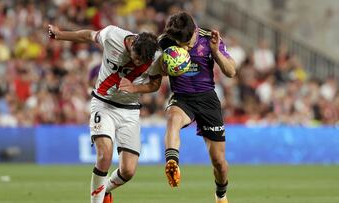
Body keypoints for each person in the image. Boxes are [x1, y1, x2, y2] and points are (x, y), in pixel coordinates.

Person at [119, 12, 236, 203]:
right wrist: (163, 69)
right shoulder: (164, 42)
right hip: (182, 98)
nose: (183, 47)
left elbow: (231, 71)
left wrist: (215, 52)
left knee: (219, 163)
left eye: (187, 43)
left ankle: (221, 194)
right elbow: (155, 75)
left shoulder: (209, 39)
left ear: (194, 31)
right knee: (173, 119)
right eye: (178, 43)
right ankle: (172, 162)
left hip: (208, 99)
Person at [48, 24, 161, 203]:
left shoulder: (155, 57)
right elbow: (87, 36)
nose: (138, 63)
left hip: (130, 111)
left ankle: (104, 190)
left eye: (142, 61)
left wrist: (136, 87)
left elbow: (155, 84)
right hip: (103, 104)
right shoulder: (112, 36)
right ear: (132, 45)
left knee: (128, 171)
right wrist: (60, 35)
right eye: (137, 58)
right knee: (104, 155)